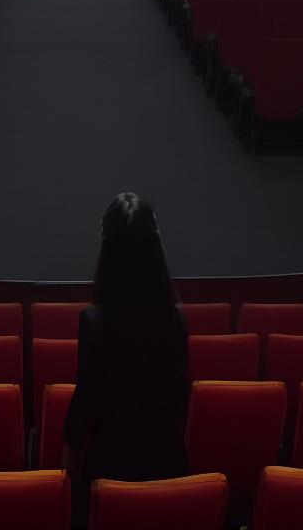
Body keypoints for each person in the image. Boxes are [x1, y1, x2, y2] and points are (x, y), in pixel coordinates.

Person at [62, 194, 188, 526]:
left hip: (109, 466)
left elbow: (85, 399)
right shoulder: (177, 321)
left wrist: (70, 460)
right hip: (168, 465)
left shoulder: (93, 323)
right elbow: (179, 397)